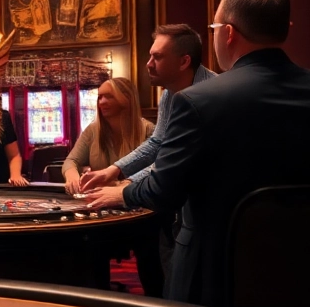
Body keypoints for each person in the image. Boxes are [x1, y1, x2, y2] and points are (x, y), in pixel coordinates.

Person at [86, 0, 310, 307]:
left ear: (228, 33)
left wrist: (122, 192)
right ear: (284, 28)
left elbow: (163, 192)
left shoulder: (197, 101)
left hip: (215, 287)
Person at [81, 25, 216, 191]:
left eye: (157, 57)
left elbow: (178, 160)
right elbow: (157, 143)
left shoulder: (210, 96)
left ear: (184, 62)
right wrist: (113, 170)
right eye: (150, 56)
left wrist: (126, 184)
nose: (148, 64)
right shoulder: (169, 94)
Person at [62, 77, 153, 196]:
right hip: (100, 200)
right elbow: (71, 161)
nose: (102, 102)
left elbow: (157, 169)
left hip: (135, 200)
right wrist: (72, 176)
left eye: (109, 96)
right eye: (100, 97)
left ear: (127, 99)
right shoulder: (92, 130)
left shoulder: (148, 130)